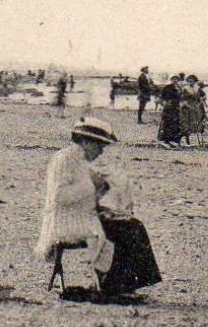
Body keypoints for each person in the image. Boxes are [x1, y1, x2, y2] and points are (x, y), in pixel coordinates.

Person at [36, 118, 120, 301]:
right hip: (63, 220)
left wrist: (99, 196)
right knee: (118, 231)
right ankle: (107, 285)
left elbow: (83, 195)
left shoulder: (79, 159)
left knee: (131, 225)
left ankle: (119, 284)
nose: (102, 151)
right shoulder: (64, 160)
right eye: (100, 146)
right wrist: (91, 189)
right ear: (86, 142)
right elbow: (59, 197)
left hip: (78, 214)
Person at [90, 156, 162, 299]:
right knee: (127, 229)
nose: (100, 151)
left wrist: (102, 209)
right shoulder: (72, 164)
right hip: (75, 221)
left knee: (133, 224)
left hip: (84, 216)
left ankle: (127, 283)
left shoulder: (78, 162)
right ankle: (115, 285)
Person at [157, 74, 185, 146]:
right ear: (171, 80)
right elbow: (163, 97)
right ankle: (166, 139)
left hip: (176, 107)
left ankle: (174, 140)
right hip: (169, 107)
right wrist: (164, 104)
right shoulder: (167, 87)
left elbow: (181, 97)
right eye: (173, 79)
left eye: (177, 79)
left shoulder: (179, 87)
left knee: (176, 123)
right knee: (168, 123)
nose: (175, 80)